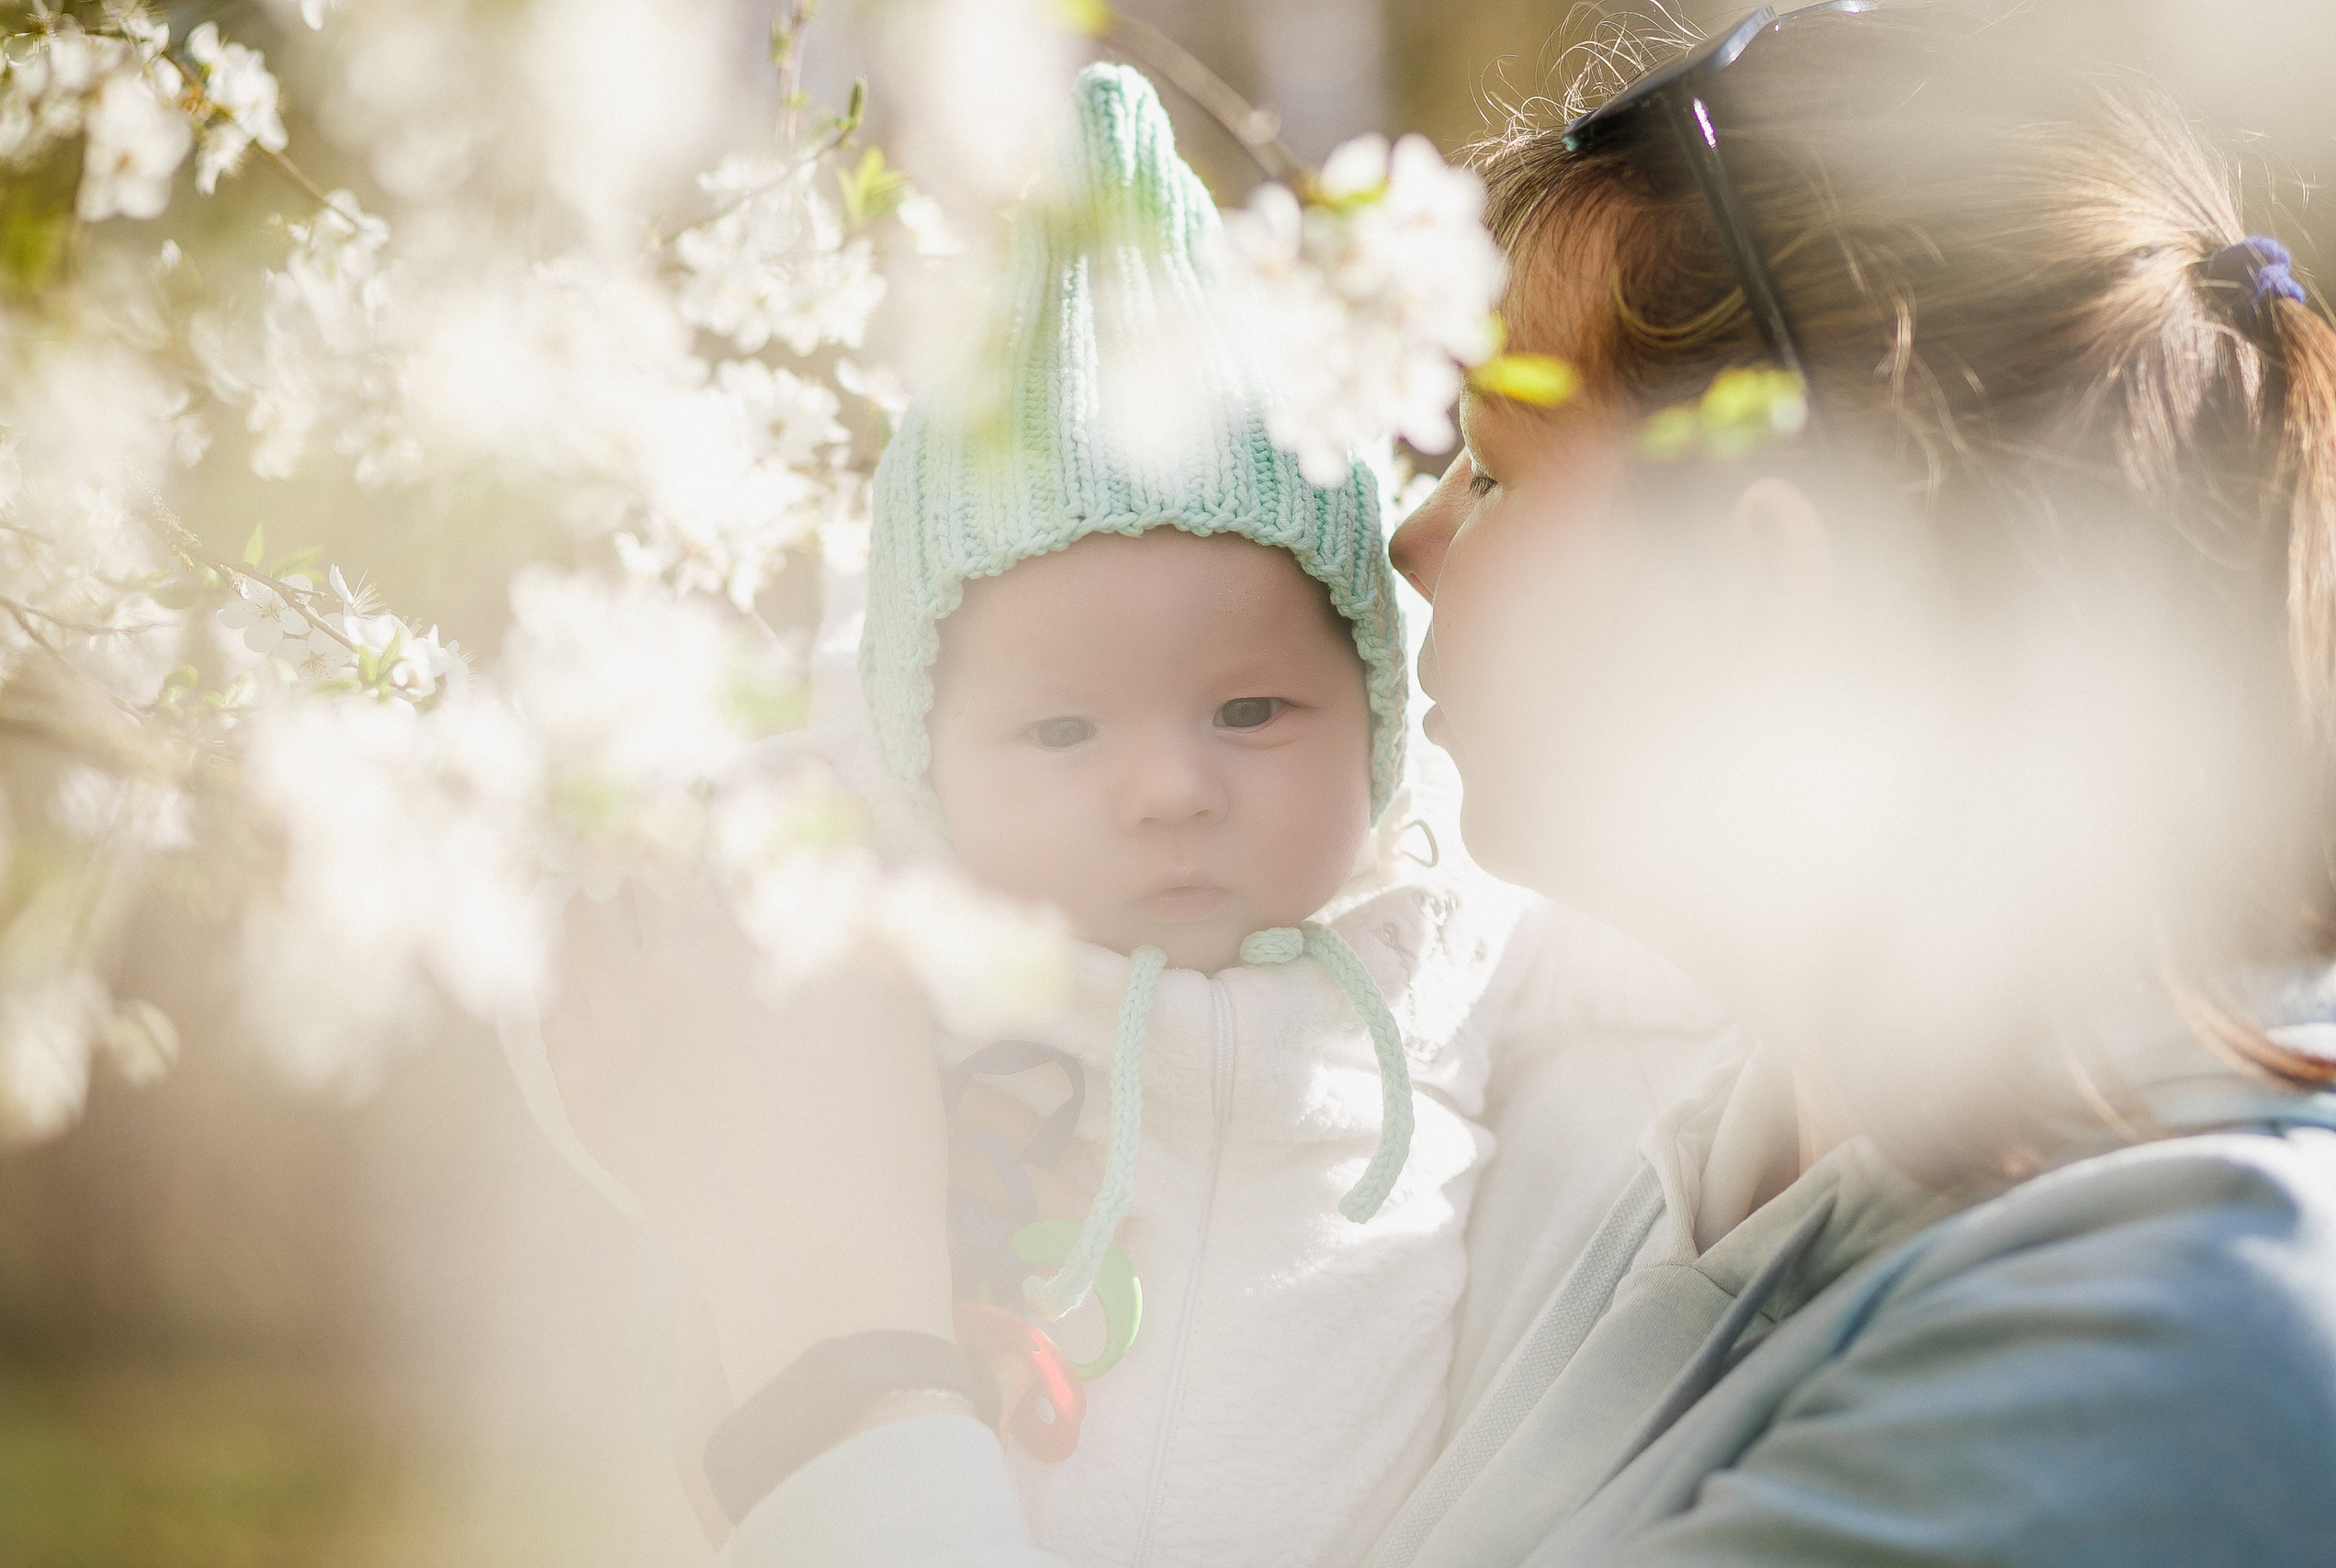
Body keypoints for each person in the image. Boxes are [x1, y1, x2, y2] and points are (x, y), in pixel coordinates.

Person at [549, 5, 2336, 1565]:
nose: (1403, 547)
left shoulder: (2178, 1342)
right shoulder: (1702, 1142)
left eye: (1487, 475)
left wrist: (831, 1346)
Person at [549, 62, 1721, 1568]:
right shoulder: (918, 940)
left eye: (1252, 713)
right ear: (931, 756)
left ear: (1374, 701)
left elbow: (1709, 972)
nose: (1170, 788)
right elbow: (652, 982)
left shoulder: (1450, 937)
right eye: (1055, 729)